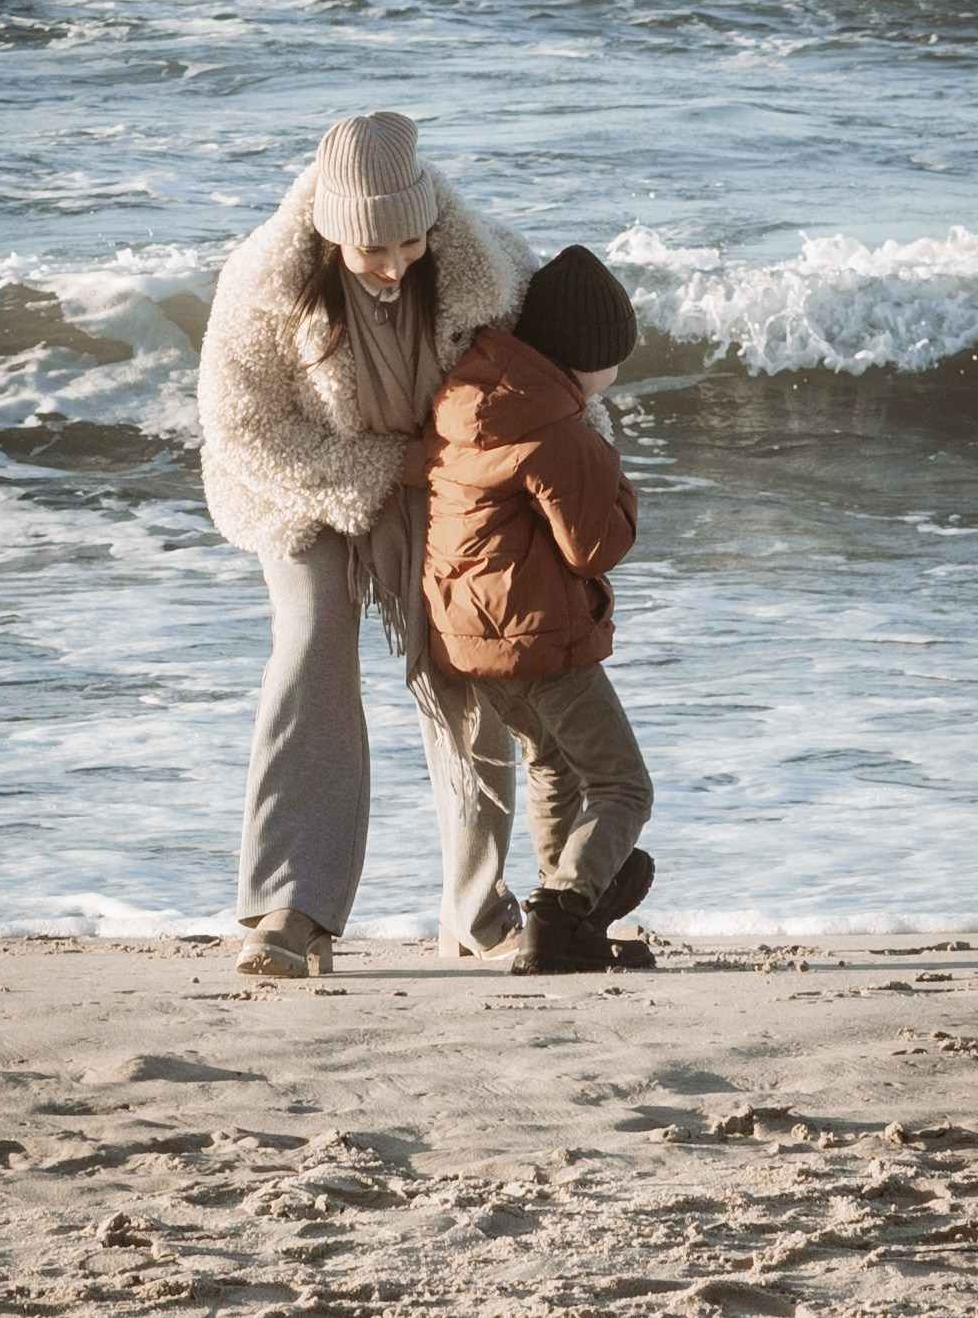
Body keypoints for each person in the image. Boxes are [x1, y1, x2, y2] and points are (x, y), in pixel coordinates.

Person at [197, 111, 536, 976]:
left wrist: (579, 494)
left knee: (471, 657)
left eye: (408, 241)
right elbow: (240, 432)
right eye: (369, 250)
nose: (392, 264)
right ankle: (290, 907)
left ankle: (477, 904)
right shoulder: (262, 281)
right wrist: (376, 473)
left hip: (436, 482)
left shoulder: (487, 266)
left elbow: (554, 388)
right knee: (313, 643)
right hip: (305, 484)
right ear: (327, 232)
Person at [422, 245, 656, 975]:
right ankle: (563, 906)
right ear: (587, 362)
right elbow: (594, 547)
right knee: (623, 784)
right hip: (538, 641)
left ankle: (565, 916)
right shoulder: (557, 427)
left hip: (467, 640)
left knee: (551, 762)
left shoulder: (469, 398)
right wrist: (621, 489)